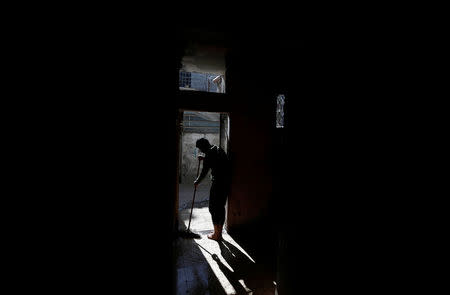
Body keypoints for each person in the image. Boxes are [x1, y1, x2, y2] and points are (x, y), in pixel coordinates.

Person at [194, 138, 231, 241]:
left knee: (213, 208)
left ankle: (217, 234)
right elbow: (214, 160)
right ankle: (219, 233)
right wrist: (205, 158)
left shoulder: (209, 154)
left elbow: (204, 172)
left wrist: (197, 181)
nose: (200, 151)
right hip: (226, 183)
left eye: (200, 149)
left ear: (203, 147)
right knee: (221, 207)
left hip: (218, 183)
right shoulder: (217, 149)